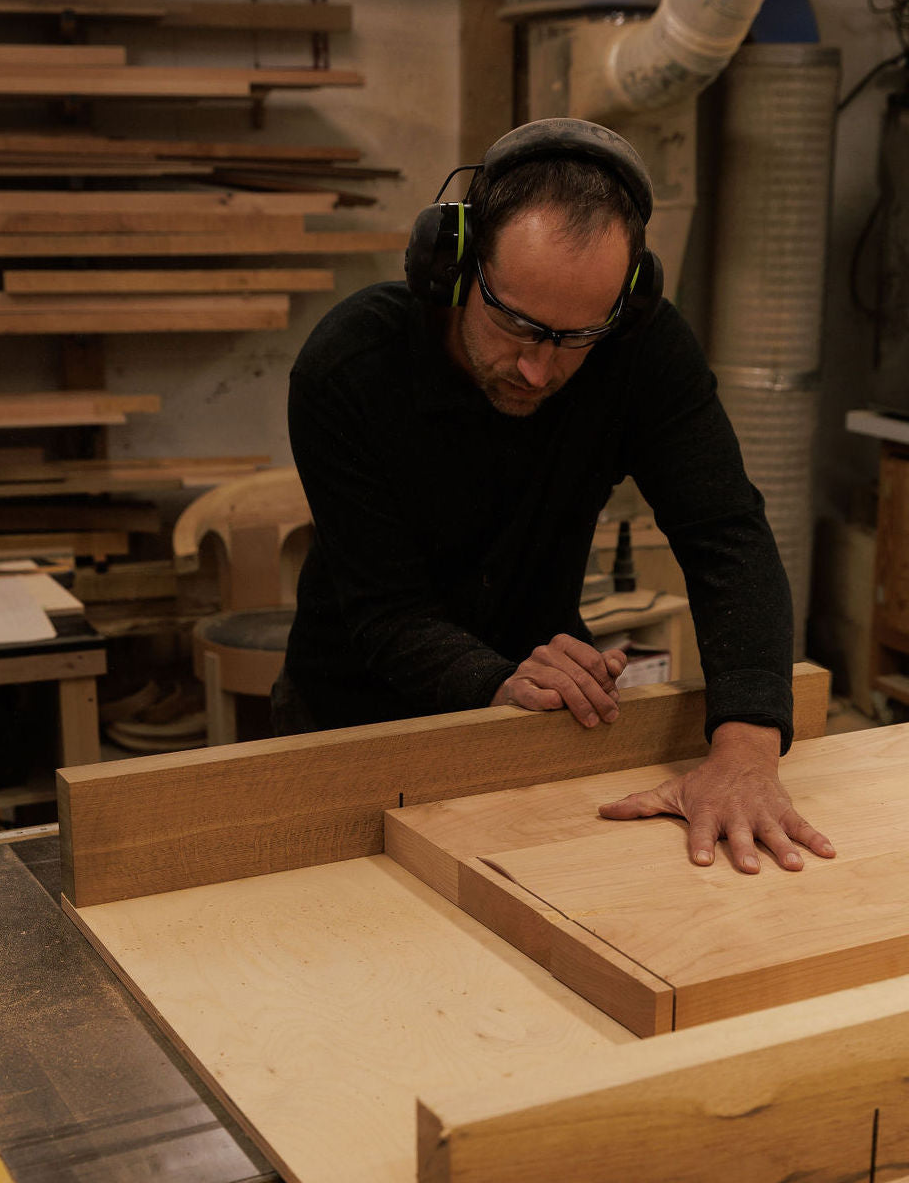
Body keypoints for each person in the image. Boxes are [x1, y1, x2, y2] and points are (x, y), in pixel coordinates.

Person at [272, 117, 835, 876]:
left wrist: (745, 749)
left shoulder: (643, 350)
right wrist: (493, 679)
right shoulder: (348, 368)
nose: (539, 369)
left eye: (576, 339)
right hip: (349, 725)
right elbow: (388, 611)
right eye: (517, 325)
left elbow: (725, 534)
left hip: (541, 724)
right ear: (456, 265)